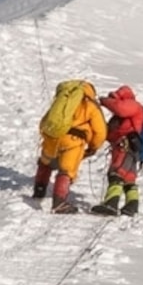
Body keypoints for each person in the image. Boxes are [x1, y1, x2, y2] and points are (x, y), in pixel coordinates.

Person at [32, 79, 109, 213]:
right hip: (73, 140)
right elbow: (100, 131)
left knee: (46, 162)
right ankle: (59, 203)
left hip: (52, 136)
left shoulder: (61, 99)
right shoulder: (90, 104)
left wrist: (45, 134)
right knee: (66, 170)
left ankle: (39, 190)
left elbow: (47, 119)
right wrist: (93, 147)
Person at [92, 86, 143, 216]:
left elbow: (121, 109)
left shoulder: (132, 105)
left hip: (124, 146)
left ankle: (111, 203)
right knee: (129, 177)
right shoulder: (134, 110)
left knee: (116, 173)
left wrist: (104, 101)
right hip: (133, 147)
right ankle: (132, 205)